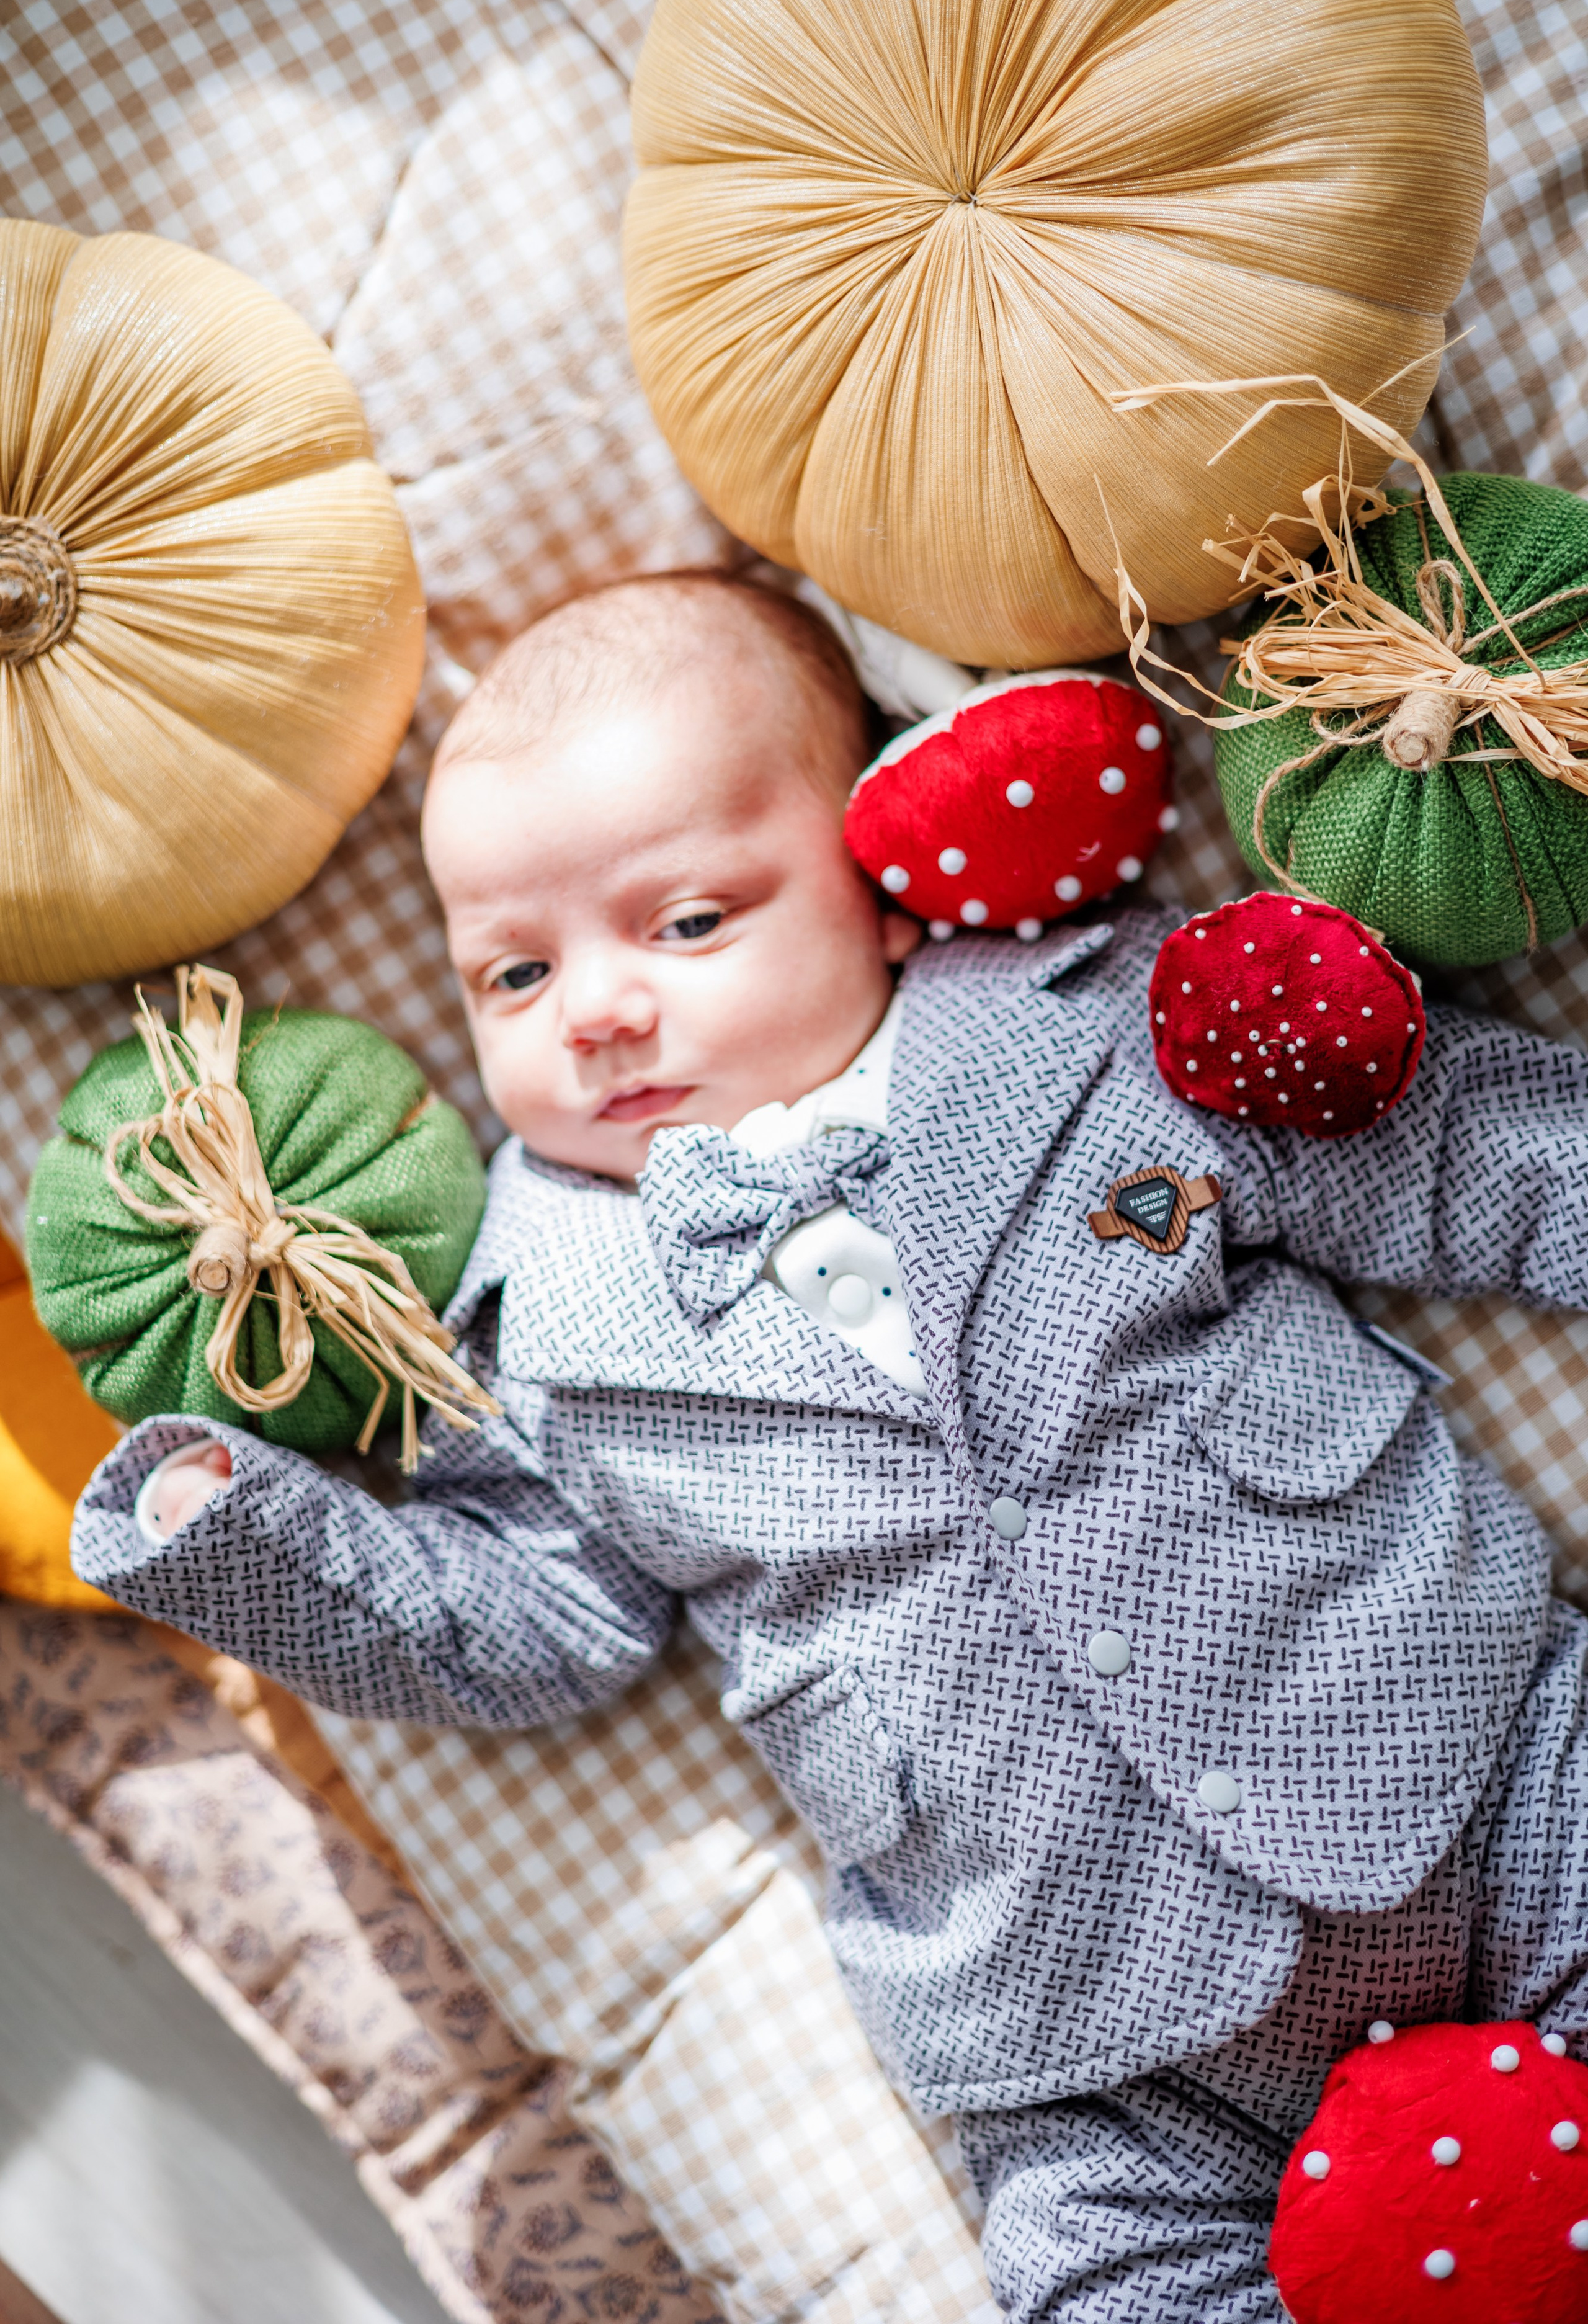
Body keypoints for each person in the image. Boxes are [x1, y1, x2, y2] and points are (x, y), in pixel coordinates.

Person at [74, 571, 1588, 2321]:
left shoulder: (1091, 1041)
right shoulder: (545, 1328)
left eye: (691, 922)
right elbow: (528, 1623)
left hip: (1468, 1760)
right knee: (1108, 2287)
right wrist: (246, 1535)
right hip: (1079, 2016)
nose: (598, 1010)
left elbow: (1447, 1157)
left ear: (880, 886)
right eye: (514, 969)